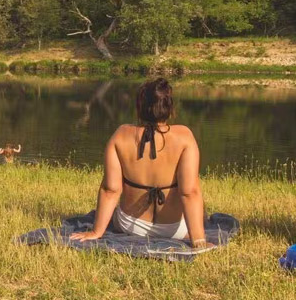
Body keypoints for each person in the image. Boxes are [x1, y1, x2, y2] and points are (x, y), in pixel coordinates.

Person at [72, 78, 207, 248]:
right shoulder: (184, 136)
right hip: (174, 230)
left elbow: (110, 190)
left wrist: (96, 232)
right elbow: (189, 193)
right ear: (169, 107)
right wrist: (199, 240)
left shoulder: (121, 134)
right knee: (203, 207)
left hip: (130, 225)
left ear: (139, 107)